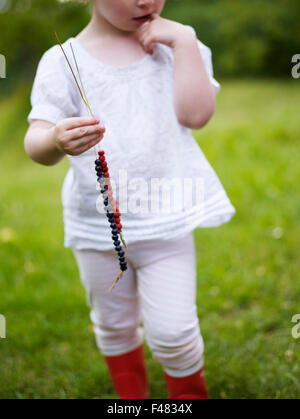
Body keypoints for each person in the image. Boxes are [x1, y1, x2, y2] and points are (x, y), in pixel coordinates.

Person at [24, 0, 236, 399]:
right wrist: (54, 140)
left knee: (175, 331)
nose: (146, 1)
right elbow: (36, 141)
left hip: (166, 225)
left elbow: (196, 115)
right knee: (114, 324)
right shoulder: (61, 60)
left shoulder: (178, 44)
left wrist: (185, 42)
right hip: (97, 229)